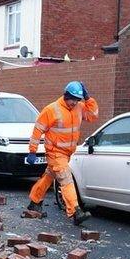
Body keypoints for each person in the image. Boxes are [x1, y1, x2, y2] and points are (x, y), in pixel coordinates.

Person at [26, 81, 99, 225]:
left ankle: (34, 201)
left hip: (67, 153)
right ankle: (75, 211)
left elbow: (93, 115)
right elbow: (37, 130)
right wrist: (32, 151)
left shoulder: (79, 107)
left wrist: (88, 98)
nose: (74, 102)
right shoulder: (51, 109)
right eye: (73, 99)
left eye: (78, 99)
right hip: (55, 152)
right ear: (66, 96)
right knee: (66, 178)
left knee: (48, 177)